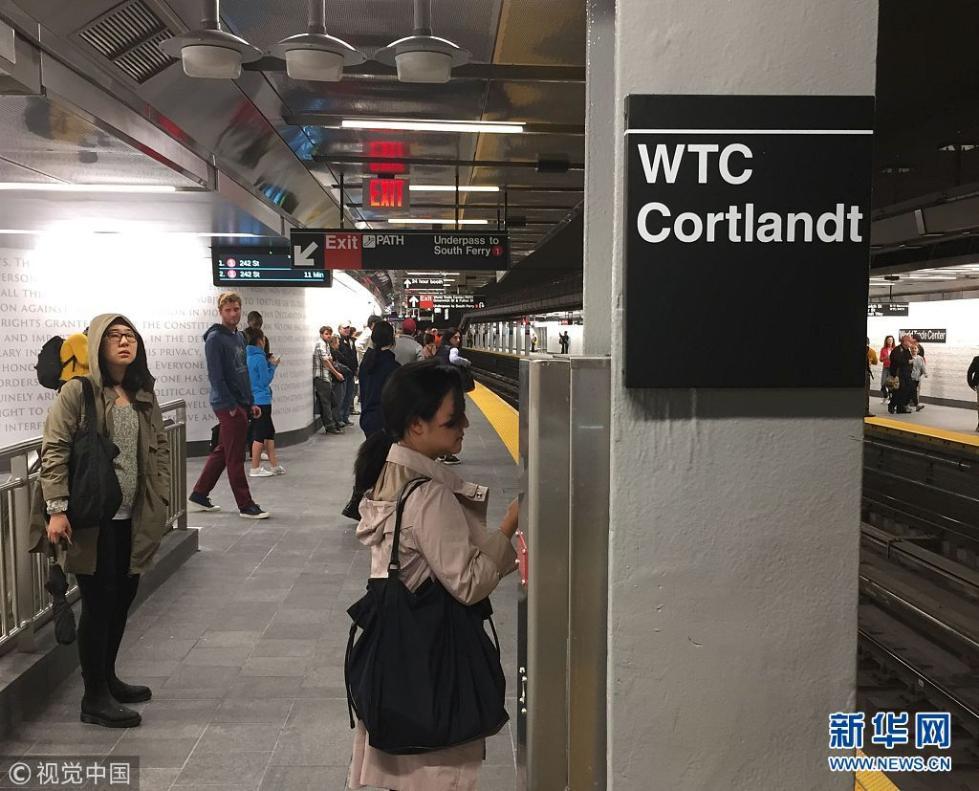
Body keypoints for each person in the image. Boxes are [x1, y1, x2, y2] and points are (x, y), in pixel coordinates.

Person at [347, 361, 519, 791]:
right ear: (416, 425)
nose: (464, 426)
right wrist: (508, 528)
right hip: (431, 664)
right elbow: (468, 583)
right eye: (452, 419)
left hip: (397, 658)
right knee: (435, 775)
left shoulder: (388, 473)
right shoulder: (428, 495)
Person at [29, 314, 170, 728]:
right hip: (91, 517)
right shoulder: (78, 391)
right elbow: (55, 449)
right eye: (114, 336)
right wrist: (57, 509)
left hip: (133, 516)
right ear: (96, 345)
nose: (124, 342)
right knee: (99, 601)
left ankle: (107, 679)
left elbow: (160, 445)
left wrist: (160, 494)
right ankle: (94, 697)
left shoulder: (142, 392)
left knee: (123, 597)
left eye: (130, 336)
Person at [189, 292, 269, 519]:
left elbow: (242, 373)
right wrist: (232, 406)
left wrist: (250, 402)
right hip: (228, 405)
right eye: (228, 310)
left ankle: (199, 495)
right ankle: (246, 505)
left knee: (224, 451)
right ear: (220, 312)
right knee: (235, 457)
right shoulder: (215, 339)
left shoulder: (239, 337)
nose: (233, 314)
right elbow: (216, 376)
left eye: (236, 309)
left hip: (240, 403)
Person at [245, 328, 283, 476]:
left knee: (269, 432)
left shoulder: (247, 356)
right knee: (260, 434)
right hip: (262, 400)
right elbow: (264, 380)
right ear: (260, 340)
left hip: (255, 399)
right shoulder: (259, 358)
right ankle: (255, 468)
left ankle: (274, 465)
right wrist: (273, 366)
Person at [358, 321, 399, 439]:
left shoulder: (366, 363)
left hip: (367, 418)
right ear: (392, 339)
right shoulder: (393, 367)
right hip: (385, 421)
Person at [435, 327, 471, 465]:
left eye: (459, 337)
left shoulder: (440, 349)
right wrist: (466, 362)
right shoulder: (453, 350)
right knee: (452, 419)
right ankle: (449, 454)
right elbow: (454, 359)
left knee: (443, 418)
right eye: (455, 337)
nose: (458, 340)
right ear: (449, 338)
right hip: (451, 388)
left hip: (440, 387)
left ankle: (442, 453)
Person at [313, 325, 344, 436]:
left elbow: (329, 359)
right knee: (326, 403)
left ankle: (332, 424)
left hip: (326, 377)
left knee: (330, 401)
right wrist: (336, 373)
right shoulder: (320, 344)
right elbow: (326, 361)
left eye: (330, 334)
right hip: (321, 378)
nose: (329, 336)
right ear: (321, 334)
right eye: (326, 334)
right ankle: (330, 426)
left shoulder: (325, 344)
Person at [336, 321, 360, 423]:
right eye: (344, 328)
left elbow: (354, 355)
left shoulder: (351, 341)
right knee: (342, 396)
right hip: (343, 372)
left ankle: (345, 417)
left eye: (348, 328)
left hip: (351, 372)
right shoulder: (338, 341)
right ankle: (340, 418)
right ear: (340, 329)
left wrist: (356, 368)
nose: (347, 330)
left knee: (349, 395)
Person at [888, 335, 915, 415]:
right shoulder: (897, 350)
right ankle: (892, 405)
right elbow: (897, 360)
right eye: (909, 341)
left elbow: (910, 360)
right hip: (898, 374)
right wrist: (908, 362)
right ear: (905, 342)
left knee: (908, 390)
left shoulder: (907, 351)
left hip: (906, 374)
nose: (910, 343)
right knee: (898, 391)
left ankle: (901, 407)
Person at [329, 334, 352, 426]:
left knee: (340, 399)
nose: (339, 344)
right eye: (338, 342)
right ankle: (336, 420)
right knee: (338, 400)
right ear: (334, 342)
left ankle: (337, 420)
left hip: (339, 378)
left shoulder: (334, 352)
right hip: (337, 379)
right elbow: (343, 361)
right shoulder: (333, 352)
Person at [910, 344, 927, 412]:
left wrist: (925, 373)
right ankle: (916, 405)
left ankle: (916, 405)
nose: (914, 350)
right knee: (913, 391)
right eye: (912, 348)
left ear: (918, 350)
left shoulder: (920, 358)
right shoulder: (909, 357)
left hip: (917, 377)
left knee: (914, 391)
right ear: (910, 350)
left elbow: (923, 367)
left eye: (915, 348)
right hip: (910, 377)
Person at [879, 335, 895, 402]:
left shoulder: (895, 349)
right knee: (883, 383)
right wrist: (886, 357)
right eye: (889, 340)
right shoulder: (883, 349)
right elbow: (880, 359)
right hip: (885, 367)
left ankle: (890, 398)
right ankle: (885, 396)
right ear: (886, 341)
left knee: (890, 384)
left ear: (893, 341)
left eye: (891, 340)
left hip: (892, 368)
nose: (890, 341)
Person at [865, 339, 878, 417]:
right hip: (865, 373)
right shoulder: (871, 351)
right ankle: (865, 411)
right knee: (865, 393)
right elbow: (875, 362)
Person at [967, 354, 979, 432]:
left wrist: (971, 384)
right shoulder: (977, 359)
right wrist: (971, 383)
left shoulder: (977, 359)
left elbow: (970, 372)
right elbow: (970, 372)